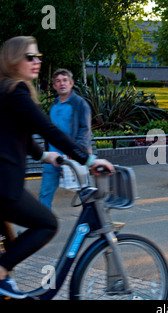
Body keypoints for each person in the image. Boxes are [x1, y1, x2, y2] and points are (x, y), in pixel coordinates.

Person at [0, 36, 114, 299]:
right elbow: (47, 129)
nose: (37, 61)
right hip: (5, 184)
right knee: (47, 224)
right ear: (14, 60)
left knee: (14, 239)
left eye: (38, 56)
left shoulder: (6, 90)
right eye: (30, 57)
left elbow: (21, 133)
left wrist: (44, 156)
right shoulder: (15, 91)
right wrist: (88, 159)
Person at [39, 69, 92, 209]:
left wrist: (76, 151)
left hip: (73, 156)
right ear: (54, 86)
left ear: (71, 83)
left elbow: (85, 130)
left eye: (64, 80)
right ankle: (43, 225)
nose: (62, 83)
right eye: (58, 81)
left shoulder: (80, 103)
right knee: (45, 193)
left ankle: (95, 224)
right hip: (54, 156)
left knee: (85, 193)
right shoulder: (54, 105)